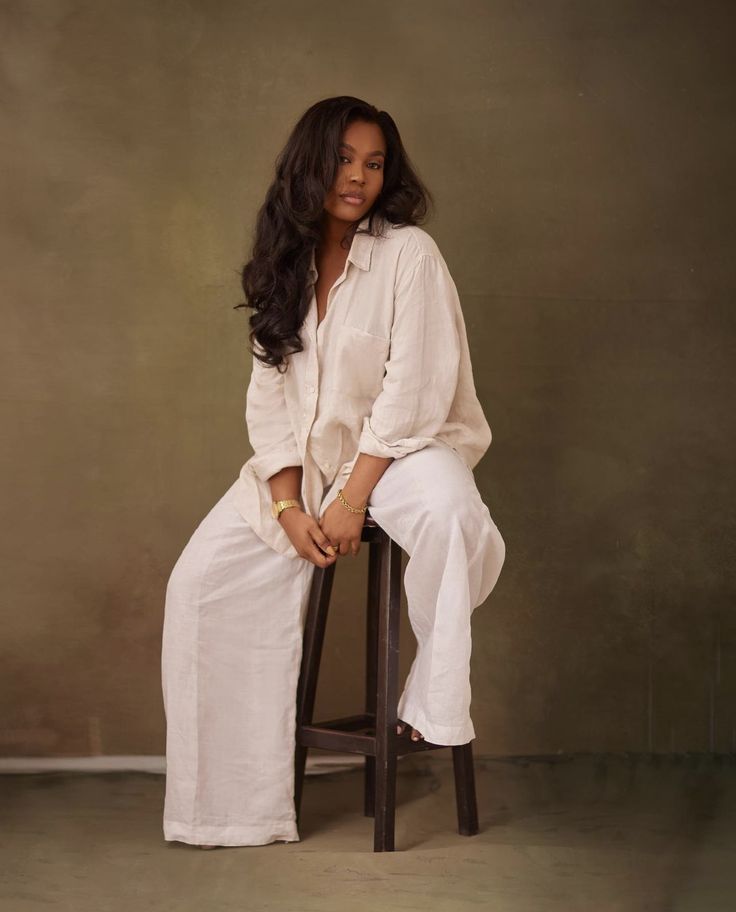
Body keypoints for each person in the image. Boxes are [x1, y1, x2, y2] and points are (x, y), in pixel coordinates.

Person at [161, 96, 506, 849]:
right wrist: (289, 508)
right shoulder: (281, 262)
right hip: (309, 468)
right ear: (309, 166)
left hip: (403, 450)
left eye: (374, 163)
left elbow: (412, 390)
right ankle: (229, 810)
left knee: (452, 512)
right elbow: (269, 400)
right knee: (198, 584)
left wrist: (354, 499)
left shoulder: (409, 253)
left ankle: (433, 702)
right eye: (344, 159)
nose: (358, 177)